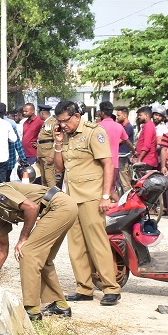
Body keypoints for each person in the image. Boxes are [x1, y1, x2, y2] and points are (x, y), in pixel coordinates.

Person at [0, 177, 79, 322]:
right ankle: (60, 305)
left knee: (28, 253)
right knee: (44, 259)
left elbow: (32, 207)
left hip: (60, 207)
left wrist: (23, 238)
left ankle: (32, 311)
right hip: (58, 209)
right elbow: (2, 246)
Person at [53, 100, 121, 306]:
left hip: (92, 196)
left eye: (66, 121)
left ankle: (111, 288)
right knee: (76, 246)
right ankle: (84, 288)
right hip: (72, 197)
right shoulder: (65, 136)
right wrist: (57, 143)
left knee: (97, 244)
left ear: (76, 116)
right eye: (60, 122)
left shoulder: (94, 132)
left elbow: (108, 164)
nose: (63, 125)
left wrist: (106, 196)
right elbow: (59, 168)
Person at [98, 101, 132, 198]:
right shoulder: (119, 126)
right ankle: (120, 208)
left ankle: (120, 207)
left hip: (100, 164)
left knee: (104, 190)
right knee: (111, 189)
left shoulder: (98, 127)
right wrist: (134, 151)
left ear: (102, 112)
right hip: (114, 164)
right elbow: (127, 142)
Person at [19, 102, 41, 169]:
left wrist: (39, 144)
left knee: (34, 176)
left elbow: (45, 136)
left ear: (33, 111)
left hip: (33, 154)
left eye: (26, 111)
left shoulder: (39, 122)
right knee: (25, 175)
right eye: (23, 111)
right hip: (24, 154)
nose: (24, 113)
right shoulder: (25, 123)